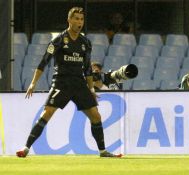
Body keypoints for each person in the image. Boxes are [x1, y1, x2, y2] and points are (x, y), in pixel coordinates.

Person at [16, 7, 122, 158]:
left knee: (96, 116)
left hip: (79, 84)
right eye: (76, 19)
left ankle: (103, 151)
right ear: (69, 20)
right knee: (47, 113)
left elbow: (87, 69)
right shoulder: (59, 40)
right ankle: (26, 148)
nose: (79, 22)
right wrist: (33, 83)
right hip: (61, 82)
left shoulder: (85, 42)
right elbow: (43, 62)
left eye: (81, 19)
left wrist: (91, 90)